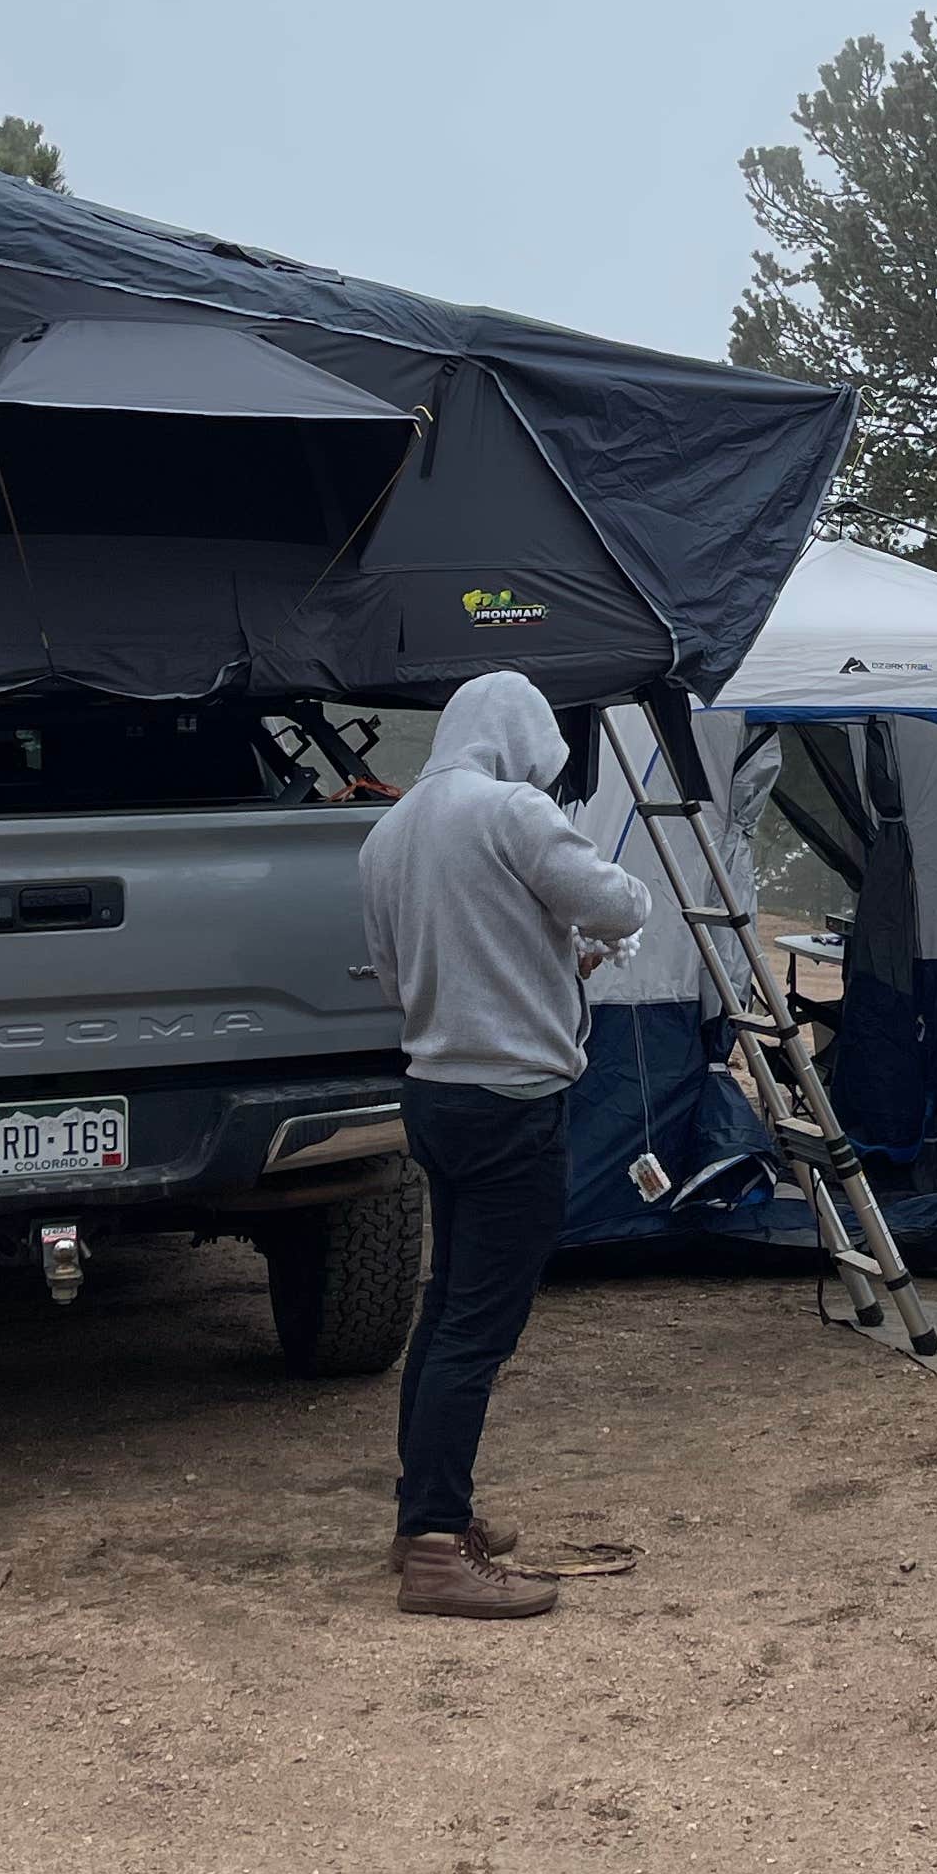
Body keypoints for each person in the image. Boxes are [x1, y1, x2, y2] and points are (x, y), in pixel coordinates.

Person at [357, 669, 650, 1620]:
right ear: (521, 738)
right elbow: (615, 903)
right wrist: (606, 919)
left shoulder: (390, 832)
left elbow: (404, 973)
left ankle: (421, 1521)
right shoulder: (511, 809)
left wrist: (541, 964)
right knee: (478, 1330)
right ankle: (440, 1552)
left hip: (435, 1093)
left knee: (446, 1314)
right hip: (515, 1102)